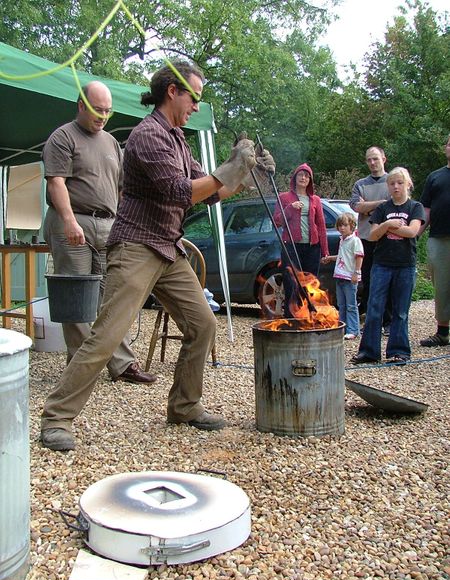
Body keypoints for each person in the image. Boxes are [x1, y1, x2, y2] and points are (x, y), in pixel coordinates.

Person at [40, 60, 274, 451]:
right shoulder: (148, 135)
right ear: (173, 91)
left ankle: (184, 405)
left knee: (203, 325)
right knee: (106, 335)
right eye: (194, 97)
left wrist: (246, 172)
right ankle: (56, 418)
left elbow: (210, 192)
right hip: (136, 246)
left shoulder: (179, 139)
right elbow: (179, 193)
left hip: (168, 247)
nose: (196, 106)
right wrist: (229, 168)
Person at [42, 81, 155, 385]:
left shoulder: (111, 143)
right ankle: (81, 369)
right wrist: (68, 221)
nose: (103, 116)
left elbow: (121, 190)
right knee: (77, 296)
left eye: (107, 110)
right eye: (97, 109)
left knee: (113, 296)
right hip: (73, 222)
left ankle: (121, 364)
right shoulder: (62, 137)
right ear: (81, 105)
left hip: (109, 225)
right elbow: (56, 183)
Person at [351, 167, 425, 365]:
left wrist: (390, 227)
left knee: (400, 311)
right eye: (392, 183)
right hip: (381, 264)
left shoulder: (415, 207)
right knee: (375, 308)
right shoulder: (383, 208)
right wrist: (387, 226)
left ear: (408, 184)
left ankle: (398, 352)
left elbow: (413, 232)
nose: (395, 186)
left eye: (400, 183)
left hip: (405, 265)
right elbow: (372, 234)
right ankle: (369, 352)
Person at [273, 163, 329, 317]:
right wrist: (290, 208)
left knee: (310, 284)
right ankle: (291, 318)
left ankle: (308, 317)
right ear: (295, 178)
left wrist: (324, 251)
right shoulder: (284, 197)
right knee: (291, 283)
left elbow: (321, 226)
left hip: (312, 248)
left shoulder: (315, 200)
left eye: (307, 176)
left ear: (310, 180)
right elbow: (276, 221)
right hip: (291, 246)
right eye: (300, 175)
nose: (303, 178)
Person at [350, 146, 392, 333]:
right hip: (366, 238)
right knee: (368, 280)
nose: (372, 163)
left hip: (389, 237)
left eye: (375, 158)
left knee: (388, 280)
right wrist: (381, 205)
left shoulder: (393, 180)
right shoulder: (360, 184)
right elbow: (356, 206)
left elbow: (397, 204)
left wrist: (368, 208)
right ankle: (371, 319)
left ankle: (388, 321)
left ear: (384, 158)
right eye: (369, 159)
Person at [418, 134, 450, 347]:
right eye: (449, 143)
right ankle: (442, 333)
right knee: (442, 286)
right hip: (439, 239)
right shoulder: (435, 177)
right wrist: (416, 234)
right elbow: (426, 209)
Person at [321, 212, 363, 339]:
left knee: (351, 305)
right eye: (340, 225)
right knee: (341, 304)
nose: (342, 228)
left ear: (352, 226)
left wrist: (356, 273)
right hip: (339, 276)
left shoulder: (355, 240)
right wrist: (330, 259)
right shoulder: (342, 240)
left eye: (345, 225)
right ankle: (343, 327)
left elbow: (359, 257)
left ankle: (354, 330)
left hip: (349, 277)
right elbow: (342, 257)